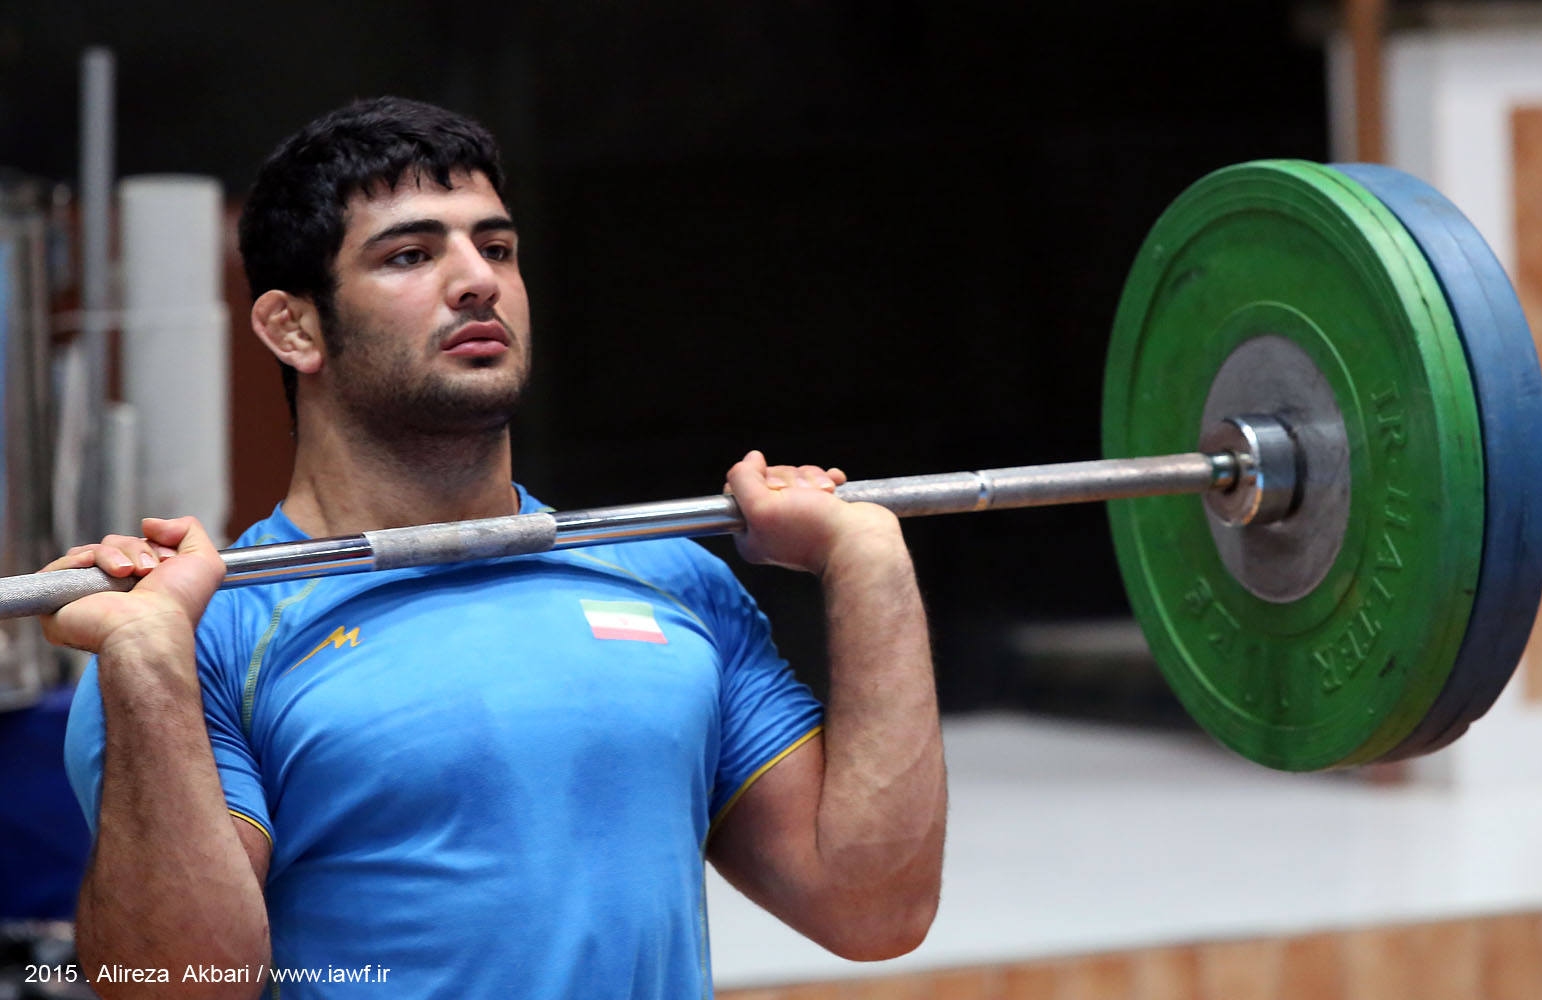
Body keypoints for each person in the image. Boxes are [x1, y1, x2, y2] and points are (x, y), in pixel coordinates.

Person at [48, 97, 945, 998]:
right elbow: (178, 986)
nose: (478, 279)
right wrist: (147, 661)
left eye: (498, 248)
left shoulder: (672, 580)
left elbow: (872, 909)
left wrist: (868, 559)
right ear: (295, 328)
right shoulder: (204, 637)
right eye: (410, 254)